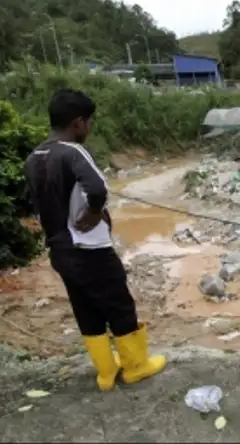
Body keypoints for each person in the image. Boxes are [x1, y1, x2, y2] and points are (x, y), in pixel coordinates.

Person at [23, 89, 166, 391]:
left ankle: (105, 373)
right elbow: (98, 186)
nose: (89, 128)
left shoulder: (34, 157)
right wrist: (94, 211)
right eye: (89, 123)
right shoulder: (72, 151)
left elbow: (34, 203)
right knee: (119, 306)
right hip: (90, 250)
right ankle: (135, 367)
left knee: (85, 309)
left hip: (60, 251)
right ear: (77, 123)